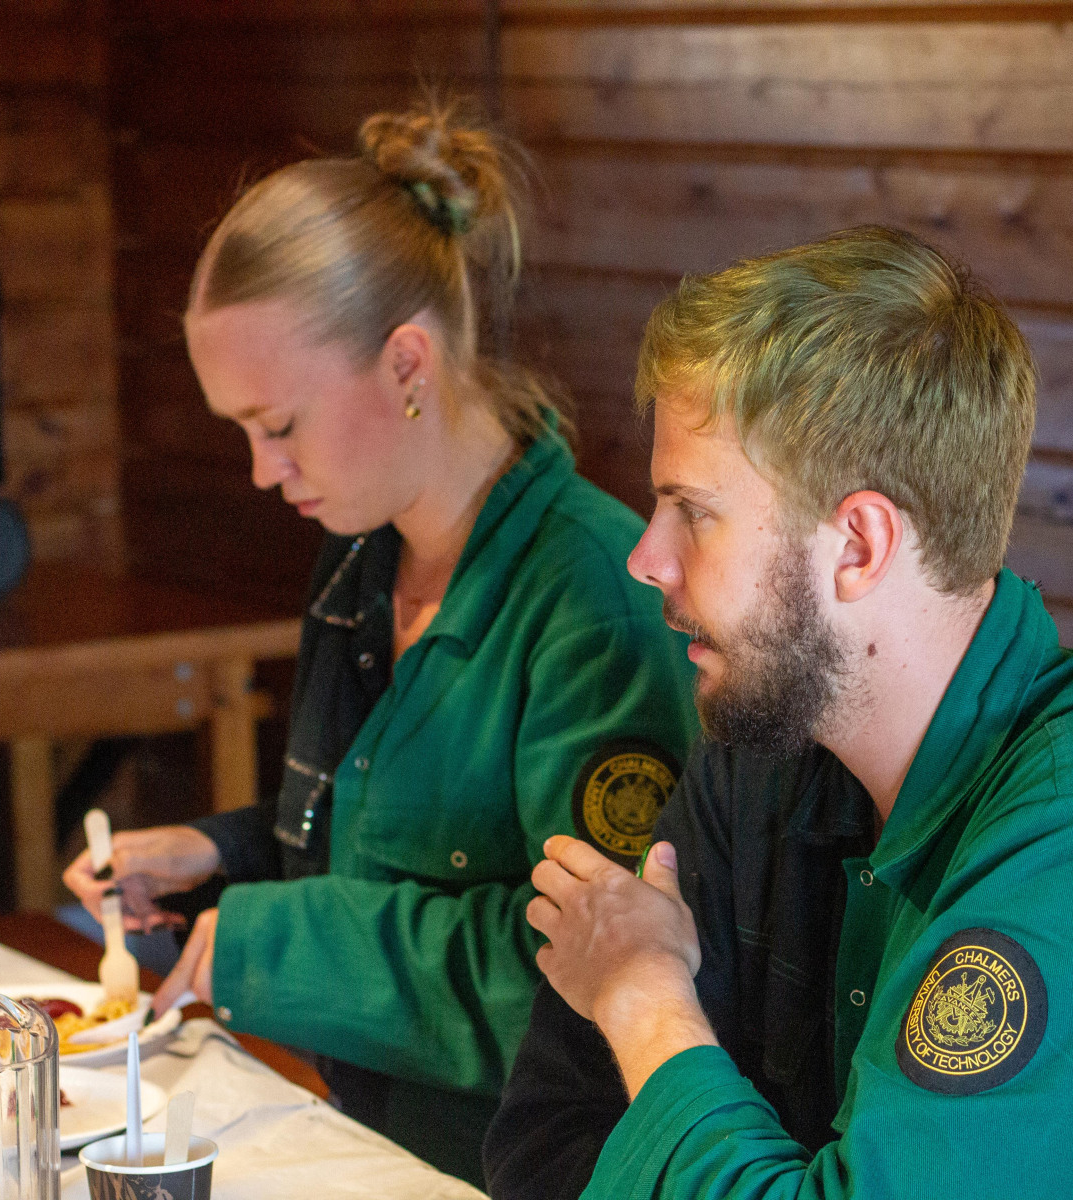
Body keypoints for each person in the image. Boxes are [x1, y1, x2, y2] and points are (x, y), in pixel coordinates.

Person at [484, 227, 1073, 1198]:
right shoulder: (763, 740)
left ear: (859, 546)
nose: (646, 559)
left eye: (692, 512)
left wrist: (644, 1000)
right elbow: (547, 1144)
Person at [62, 102, 699, 1186]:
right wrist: (225, 857)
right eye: (241, 432)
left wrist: (263, 942)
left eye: (279, 425)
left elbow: (595, 976)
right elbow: (387, 846)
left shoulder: (593, 600)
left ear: (408, 365)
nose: (263, 471)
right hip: (351, 1133)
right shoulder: (363, 554)